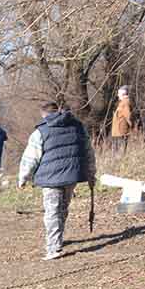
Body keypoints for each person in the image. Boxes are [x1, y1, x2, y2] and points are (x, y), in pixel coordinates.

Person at [18, 102, 97, 261]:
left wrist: (23, 177)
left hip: (50, 179)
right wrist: (91, 174)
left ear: (44, 115)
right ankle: (57, 238)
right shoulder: (78, 127)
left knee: (52, 211)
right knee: (62, 208)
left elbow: (30, 158)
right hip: (71, 176)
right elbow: (89, 153)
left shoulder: (40, 131)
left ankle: (53, 248)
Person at [110, 86, 136, 156]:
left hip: (121, 132)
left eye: (119, 93)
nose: (118, 95)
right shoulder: (123, 103)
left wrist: (133, 128)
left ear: (123, 94)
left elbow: (129, 117)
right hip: (118, 133)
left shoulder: (125, 103)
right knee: (116, 154)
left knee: (119, 155)